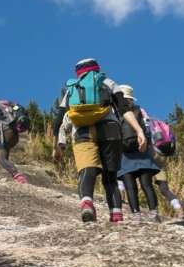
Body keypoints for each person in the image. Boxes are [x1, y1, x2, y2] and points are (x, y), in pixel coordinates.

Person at [52, 58, 147, 223]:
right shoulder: (108, 82)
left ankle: (87, 202)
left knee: (87, 170)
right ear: (97, 69)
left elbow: (59, 117)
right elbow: (124, 108)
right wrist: (139, 130)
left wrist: (56, 145)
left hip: (82, 131)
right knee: (110, 176)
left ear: (78, 72)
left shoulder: (72, 88)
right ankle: (116, 214)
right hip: (110, 129)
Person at [116, 85, 161, 222]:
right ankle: (154, 213)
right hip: (142, 151)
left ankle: (136, 214)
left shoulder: (114, 111)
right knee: (147, 184)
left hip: (123, 155)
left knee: (130, 186)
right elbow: (148, 130)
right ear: (131, 98)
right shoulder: (140, 110)